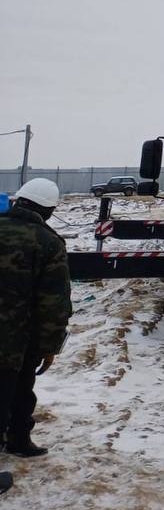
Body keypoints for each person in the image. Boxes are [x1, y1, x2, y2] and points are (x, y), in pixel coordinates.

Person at [0, 178, 73, 493]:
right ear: (49, 210)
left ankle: (18, 439)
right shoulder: (47, 242)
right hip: (16, 339)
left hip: (17, 339)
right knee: (9, 392)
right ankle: (17, 438)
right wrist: (50, 346)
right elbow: (54, 303)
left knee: (17, 390)